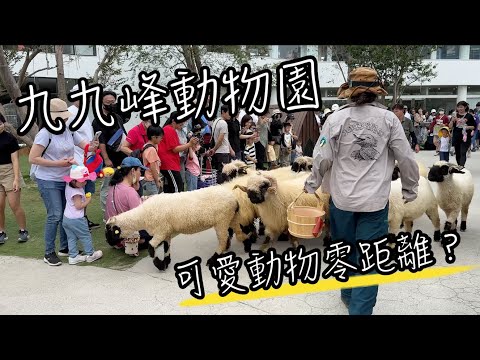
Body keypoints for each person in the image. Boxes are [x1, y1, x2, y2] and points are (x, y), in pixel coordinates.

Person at [305, 67, 419, 315]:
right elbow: (406, 157)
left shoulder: (335, 119)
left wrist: (312, 183)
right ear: (377, 92)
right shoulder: (389, 120)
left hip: (342, 200)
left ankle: (348, 295)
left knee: (344, 248)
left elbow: (322, 155)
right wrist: (410, 187)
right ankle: (359, 308)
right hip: (374, 203)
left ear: (349, 91)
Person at [29, 98, 99, 266]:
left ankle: (65, 247)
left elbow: (85, 146)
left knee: (67, 213)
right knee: (55, 214)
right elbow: (33, 158)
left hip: (67, 178)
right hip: (48, 179)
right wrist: (58, 163)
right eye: (63, 117)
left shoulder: (69, 130)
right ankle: (49, 252)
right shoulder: (45, 134)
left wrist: (93, 145)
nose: (66, 120)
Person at [66, 84, 98, 230]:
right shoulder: (70, 114)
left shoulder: (83, 113)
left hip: (88, 160)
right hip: (78, 162)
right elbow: (70, 137)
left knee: (88, 190)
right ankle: (79, 220)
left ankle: (84, 219)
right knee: (80, 192)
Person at [92, 90, 128, 215]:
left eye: (113, 102)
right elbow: (101, 142)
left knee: (121, 184)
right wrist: (106, 159)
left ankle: (120, 209)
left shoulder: (117, 117)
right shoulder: (98, 121)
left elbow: (123, 134)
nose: (111, 104)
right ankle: (107, 214)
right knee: (107, 186)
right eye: (108, 102)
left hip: (122, 157)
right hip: (109, 159)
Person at [105, 157, 152, 251]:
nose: (141, 173)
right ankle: (133, 242)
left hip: (112, 234)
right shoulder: (130, 192)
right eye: (140, 170)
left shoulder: (114, 186)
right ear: (133, 171)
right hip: (125, 234)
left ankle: (122, 242)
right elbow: (140, 217)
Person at [62, 165, 103, 265]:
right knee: (85, 236)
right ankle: (90, 254)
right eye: (83, 180)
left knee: (71, 237)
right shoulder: (77, 193)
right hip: (77, 219)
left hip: (67, 218)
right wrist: (88, 200)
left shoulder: (69, 185)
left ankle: (73, 256)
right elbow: (79, 206)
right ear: (74, 181)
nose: (85, 182)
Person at [0, 113, 29, 244]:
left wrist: (16, 179)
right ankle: (1, 232)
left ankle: (23, 230)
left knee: (14, 204)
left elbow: (15, 160)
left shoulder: (9, 138)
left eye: (0, 123)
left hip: (9, 172)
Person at [158, 111, 198, 193]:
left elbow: (177, 146)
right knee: (177, 187)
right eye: (181, 122)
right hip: (169, 164)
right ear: (173, 121)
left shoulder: (171, 130)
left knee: (174, 186)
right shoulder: (169, 130)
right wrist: (189, 144)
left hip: (171, 163)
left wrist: (189, 145)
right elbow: (175, 149)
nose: (183, 124)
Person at [206, 105, 235, 183]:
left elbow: (224, 138)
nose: (230, 115)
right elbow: (221, 138)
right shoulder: (223, 123)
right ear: (223, 112)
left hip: (220, 151)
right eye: (229, 113)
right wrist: (214, 149)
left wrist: (231, 149)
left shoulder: (216, 121)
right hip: (223, 152)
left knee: (220, 172)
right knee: (223, 173)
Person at [449, 101, 476, 168]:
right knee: (457, 153)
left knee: (463, 151)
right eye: (458, 107)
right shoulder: (455, 115)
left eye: (461, 107)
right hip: (456, 135)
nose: (460, 108)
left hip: (465, 136)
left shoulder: (469, 116)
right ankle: (459, 165)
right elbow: (450, 127)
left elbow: (473, 126)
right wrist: (452, 120)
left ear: (465, 107)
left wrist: (467, 127)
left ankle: (461, 166)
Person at [142, 126, 164, 196]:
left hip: (149, 179)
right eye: (160, 137)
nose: (161, 139)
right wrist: (157, 180)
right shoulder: (151, 150)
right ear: (154, 137)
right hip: (151, 180)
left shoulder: (146, 146)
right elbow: (153, 167)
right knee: (154, 201)